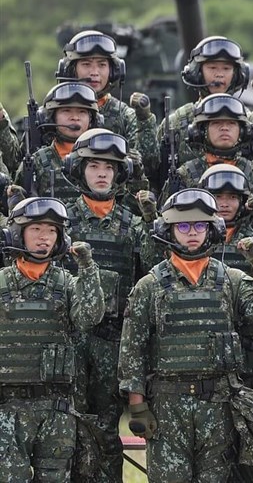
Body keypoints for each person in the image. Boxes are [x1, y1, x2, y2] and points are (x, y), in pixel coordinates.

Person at [118, 188, 253, 481]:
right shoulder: (149, 286)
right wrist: (137, 405)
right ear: (168, 230)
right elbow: (133, 350)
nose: (191, 232)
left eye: (199, 225)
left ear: (212, 229)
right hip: (168, 407)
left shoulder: (230, 278)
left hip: (218, 406)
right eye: (183, 226)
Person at [60, 128, 156, 482]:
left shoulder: (133, 225)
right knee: (63, 436)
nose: (102, 173)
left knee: (105, 439)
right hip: (68, 344)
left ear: (119, 174)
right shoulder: (61, 224)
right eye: (94, 165)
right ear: (79, 169)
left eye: (110, 167)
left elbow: (152, 271)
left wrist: (151, 223)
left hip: (112, 345)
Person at [0, 197, 104, 481]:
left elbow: (89, 318)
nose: (44, 237)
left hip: (55, 408)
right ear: (18, 233)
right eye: (36, 229)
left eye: (52, 230)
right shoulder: (1, 283)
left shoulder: (67, 283)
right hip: (7, 409)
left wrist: (87, 268)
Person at [156, 35, 253, 187]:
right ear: (196, 72)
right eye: (212, 68)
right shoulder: (176, 122)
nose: (219, 74)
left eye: (226, 68)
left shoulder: (249, 121)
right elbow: (155, 173)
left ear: (237, 74)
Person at [161, 93, 253, 229]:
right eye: (216, 123)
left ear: (244, 132)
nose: (224, 128)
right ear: (200, 132)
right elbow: (166, 223)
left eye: (231, 123)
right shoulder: (184, 175)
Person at [56, 30, 157, 183]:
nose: (95, 72)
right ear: (70, 69)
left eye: (102, 65)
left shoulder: (125, 116)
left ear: (114, 71)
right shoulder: (52, 112)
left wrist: (145, 121)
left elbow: (149, 166)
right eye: (86, 64)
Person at [14, 82, 101, 200]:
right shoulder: (36, 162)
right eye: (66, 111)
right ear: (51, 117)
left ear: (92, 120)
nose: (75, 117)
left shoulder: (103, 159)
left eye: (82, 112)